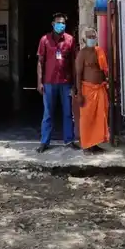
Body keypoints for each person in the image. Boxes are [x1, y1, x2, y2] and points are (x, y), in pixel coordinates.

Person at [36, 13, 79, 153]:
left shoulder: (70, 40)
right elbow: (40, 62)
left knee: (68, 113)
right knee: (48, 113)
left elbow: (74, 62)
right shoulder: (45, 40)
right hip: (49, 82)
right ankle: (44, 141)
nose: (61, 25)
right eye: (58, 22)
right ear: (53, 24)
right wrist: (39, 82)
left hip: (66, 82)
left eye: (63, 23)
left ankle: (69, 140)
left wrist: (75, 82)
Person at [75, 27, 109, 154]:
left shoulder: (99, 51)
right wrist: (79, 94)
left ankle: (95, 144)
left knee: (100, 117)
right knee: (87, 118)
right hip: (87, 90)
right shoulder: (82, 54)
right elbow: (78, 74)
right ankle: (87, 146)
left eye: (93, 36)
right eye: (89, 37)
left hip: (100, 89)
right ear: (84, 39)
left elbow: (104, 70)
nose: (92, 39)